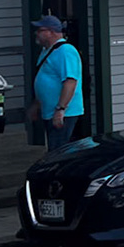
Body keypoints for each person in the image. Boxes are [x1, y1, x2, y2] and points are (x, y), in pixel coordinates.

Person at [31, 16, 83, 152]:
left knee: (58, 150)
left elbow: (70, 82)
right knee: (54, 148)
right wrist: (37, 104)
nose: (36, 33)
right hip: (49, 111)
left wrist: (61, 109)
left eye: (40, 30)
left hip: (64, 112)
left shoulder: (65, 51)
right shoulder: (47, 51)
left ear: (51, 32)